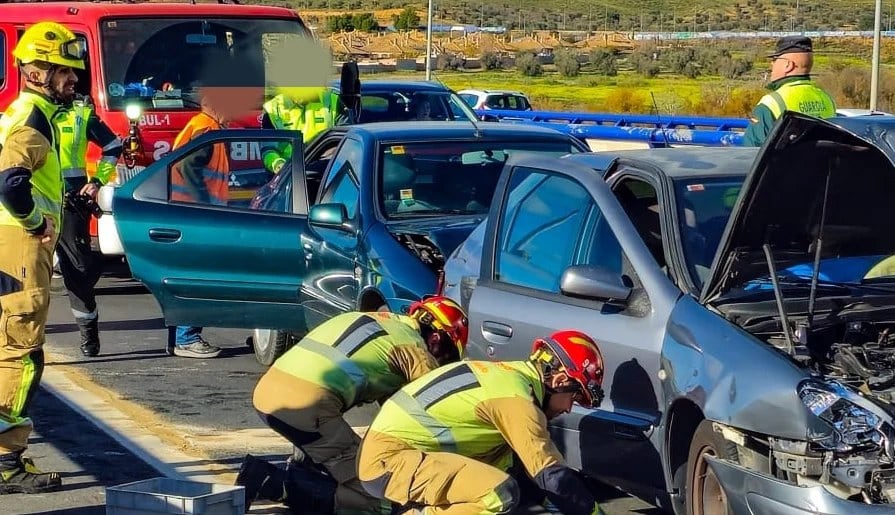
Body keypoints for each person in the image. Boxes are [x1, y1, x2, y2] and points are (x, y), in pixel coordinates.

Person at [235, 296, 469, 514]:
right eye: (448, 358)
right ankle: (272, 482)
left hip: (270, 393)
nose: (442, 366)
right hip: (308, 409)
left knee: (333, 450)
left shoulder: (374, 321)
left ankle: (305, 473)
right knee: (381, 495)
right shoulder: (417, 352)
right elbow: (430, 423)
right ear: (437, 340)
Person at [357, 330, 607, 515]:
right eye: (574, 397)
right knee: (498, 495)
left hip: (392, 454)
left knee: (503, 479)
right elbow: (552, 476)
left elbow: (518, 470)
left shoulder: (507, 378)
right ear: (561, 380)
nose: (568, 408)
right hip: (388, 461)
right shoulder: (516, 400)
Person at [0, 21, 87, 494]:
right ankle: (6, 462)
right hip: (18, 245)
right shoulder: (32, 119)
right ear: (36, 72)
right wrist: (36, 223)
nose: (73, 80)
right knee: (22, 353)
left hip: (9, 243)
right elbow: (11, 182)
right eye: (64, 72)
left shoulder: (29, 113)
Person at [167, 50, 264, 358]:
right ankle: (187, 337)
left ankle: (181, 337)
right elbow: (187, 169)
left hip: (190, 212)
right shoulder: (205, 129)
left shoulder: (204, 126)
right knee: (199, 277)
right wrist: (206, 205)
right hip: (197, 214)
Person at [55, 94, 123, 357]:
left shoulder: (80, 115)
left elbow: (113, 146)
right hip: (34, 204)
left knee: (79, 270)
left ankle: (88, 334)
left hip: (70, 205)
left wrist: (96, 181)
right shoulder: (26, 113)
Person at [742, 36, 836, 147]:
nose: (772, 64)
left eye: (775, 59)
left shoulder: (772, 103)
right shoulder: (827, 99)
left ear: (788, 65)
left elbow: (752, 152)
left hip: (785, 164)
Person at [261, 87, 341, 174]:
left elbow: (348, 143)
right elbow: (268, 149)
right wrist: (277, 164)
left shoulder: (332, 101)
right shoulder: (273, 109)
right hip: (291, 175)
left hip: (329, 173)